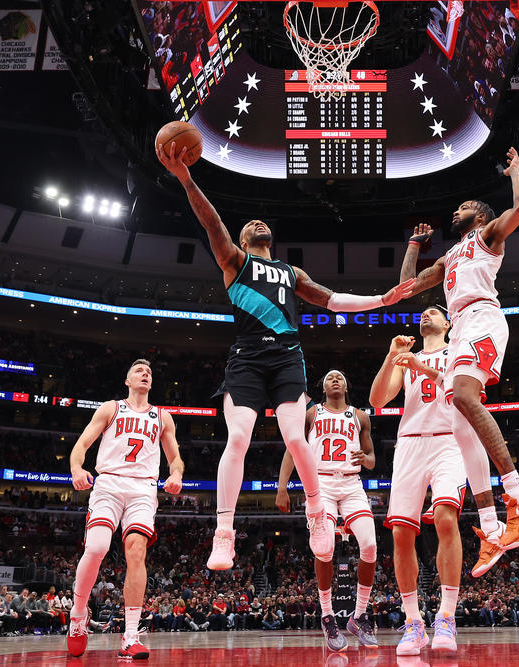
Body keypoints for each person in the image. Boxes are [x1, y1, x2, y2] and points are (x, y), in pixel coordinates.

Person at [158, 143, 413, 572]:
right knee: (237, 438)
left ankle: (316, 512)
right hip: (246, 359)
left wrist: (381, 299)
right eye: (249, 224)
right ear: (242, 239)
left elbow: (333, 300)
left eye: (262, 222)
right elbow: (211, 221)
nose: (258, 222)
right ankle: (224, 533)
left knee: (297, 438)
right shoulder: (234, 260)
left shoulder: (291, 273)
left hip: (287, 358)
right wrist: (186, 179)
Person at [397, 147, 519, 576]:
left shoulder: (486, 237)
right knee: (461, 424)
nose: (456, 210)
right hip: (460, 325)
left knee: (462, 395)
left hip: (482, 316)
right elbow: (407, 287)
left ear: (480, 217)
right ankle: (492, 527)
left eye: (464, 207)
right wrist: (413, 245)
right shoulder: (448, 256)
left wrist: (515, 170)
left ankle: (518, 494)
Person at [67, 359, 185, 659]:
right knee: (96, 548)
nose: (145, 374)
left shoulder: (162, 416)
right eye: (139, 371)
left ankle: (130, 636)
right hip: (108, 483)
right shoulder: (111, 408)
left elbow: (175, 458)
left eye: (149, 372)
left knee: (136, 552)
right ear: (127, 380)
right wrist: (77, 469)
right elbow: (81, 445)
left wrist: (176, 475)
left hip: (143, 488)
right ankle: (78, 615)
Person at [369, 306, 466, 655]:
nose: (425, 316)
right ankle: (413, 623)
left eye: (433, 312)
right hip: (409, 442)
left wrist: (418, 366)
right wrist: (393, 355)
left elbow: (461, 388)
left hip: (449, 440)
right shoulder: (406, 357)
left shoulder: (459, 349)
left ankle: (447, 616)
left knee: (444, 516)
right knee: (400, 532)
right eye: (421, 313)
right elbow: (377, 400)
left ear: (447, 323)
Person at [276, 370, 378, 652]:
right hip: (321, 482)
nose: (335, 379)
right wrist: (282, 486)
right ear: (322, 386)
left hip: (352, 483)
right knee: (325, 549)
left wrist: (365, 458)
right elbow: (292, 449)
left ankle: (358, 616)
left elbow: (371, 460)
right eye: (330, 377)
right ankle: (327, 615)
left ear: (346, 385)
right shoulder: (311, 414)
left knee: (369, 545)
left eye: (340, 377)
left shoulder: (360, 416)